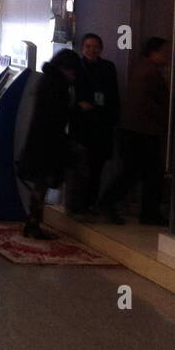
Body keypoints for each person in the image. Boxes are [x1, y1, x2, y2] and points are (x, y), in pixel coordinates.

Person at [99, 37, 171, 225]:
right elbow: (145, 104)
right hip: (143, 131)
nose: (168, 55)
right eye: (164, 51)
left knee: (138, 172)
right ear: (153, 52)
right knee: (143, 172)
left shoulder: (143, 69)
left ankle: (143, 210)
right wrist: (165, 119)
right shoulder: (149, 72)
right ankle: (142, 211)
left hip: (136, 130)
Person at [15, 48, 84, 239]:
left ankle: (32, 222)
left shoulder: (46, 80)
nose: (73, 75)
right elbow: (57, 115)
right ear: (64, 68)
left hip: (38, 141)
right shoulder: (57, 86)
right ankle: (33, 224)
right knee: (42, 184)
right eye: (71, 71)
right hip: (47, 143)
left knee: (40, 185)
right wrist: (76, 109)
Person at [68, 33, 120, 214]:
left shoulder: (107, 67)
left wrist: (113, 119)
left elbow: (113, 95)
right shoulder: (75, 67)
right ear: (82, 48)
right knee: (81, 167)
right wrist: (79, 105)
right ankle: (77, 205)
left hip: (102, 124)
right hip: (82, 126)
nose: (92, 50)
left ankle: (91, 203)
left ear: (101, 48)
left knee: (97, 168)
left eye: (95, 46)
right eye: (88, 46)